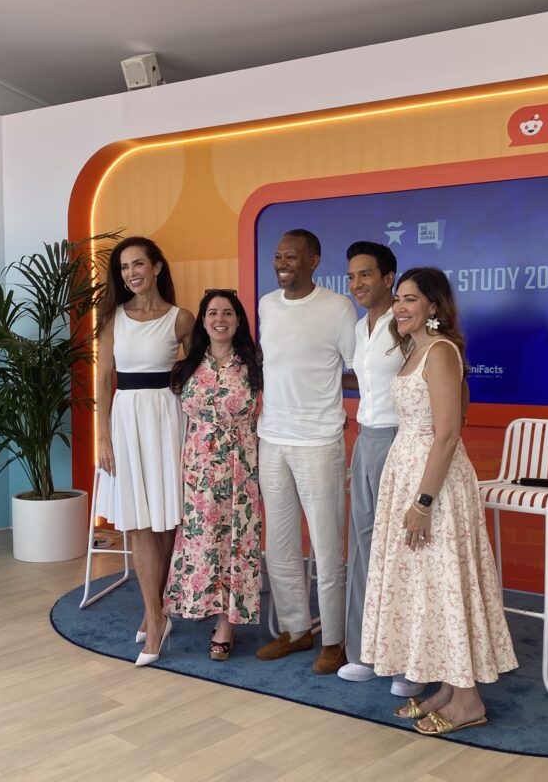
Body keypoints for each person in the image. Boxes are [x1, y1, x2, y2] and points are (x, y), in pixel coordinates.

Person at [361, 267, 517, 734]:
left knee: (446, 582)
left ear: (433, 305)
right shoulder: (416, 349)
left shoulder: (441, 351)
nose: (400, 307)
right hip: (410, 472)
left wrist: (424, 502)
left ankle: (468, 701)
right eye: (398, 299)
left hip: (436, 484)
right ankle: (450, 688)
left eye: (411, 299)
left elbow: (448, 433)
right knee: (428, 584)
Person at [256, 228, 357, 674]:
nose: (282, 263)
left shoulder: (337, 308)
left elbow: (357, 368)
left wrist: (330, 394)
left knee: (327, 548)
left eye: (291, 257)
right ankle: (296, 630)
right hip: (272, 438)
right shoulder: (267, 305)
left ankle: (334, 640)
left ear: (314, 261)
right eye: (279, 256)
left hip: (319, 442)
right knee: (278, 545)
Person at [95, 235, 194, 667]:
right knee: (137, 523)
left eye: (138, 264)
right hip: (126, 421)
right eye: (124, 267)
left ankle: (158, 606)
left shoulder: (181, 319)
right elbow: (103, 380)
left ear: (156, 267)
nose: (131, 273)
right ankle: (155, 618)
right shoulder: (112, 318)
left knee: (167, 522)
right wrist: (102, 437)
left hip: (168, 420)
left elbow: (199, 372)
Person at [337, 241, 425, 699]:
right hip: (366, 438)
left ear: (389, 279)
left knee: (402, 552)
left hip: (401, 440)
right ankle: (365, 652)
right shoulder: (359, 327)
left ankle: (409, 662)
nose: (357, 284)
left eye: (365, 275)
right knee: (363, 547)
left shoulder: (405, 322)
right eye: (351, 276)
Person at [163, 289, 262, 660]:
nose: (220, 319)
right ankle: (196, 604)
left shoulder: (253, 365)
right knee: (202, 542)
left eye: (228, 312)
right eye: (213, 313)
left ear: (238, 320)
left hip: (240, 468)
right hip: (198, 471)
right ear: (203, 321)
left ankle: (226, 623)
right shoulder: (188, 366)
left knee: (235, 543)